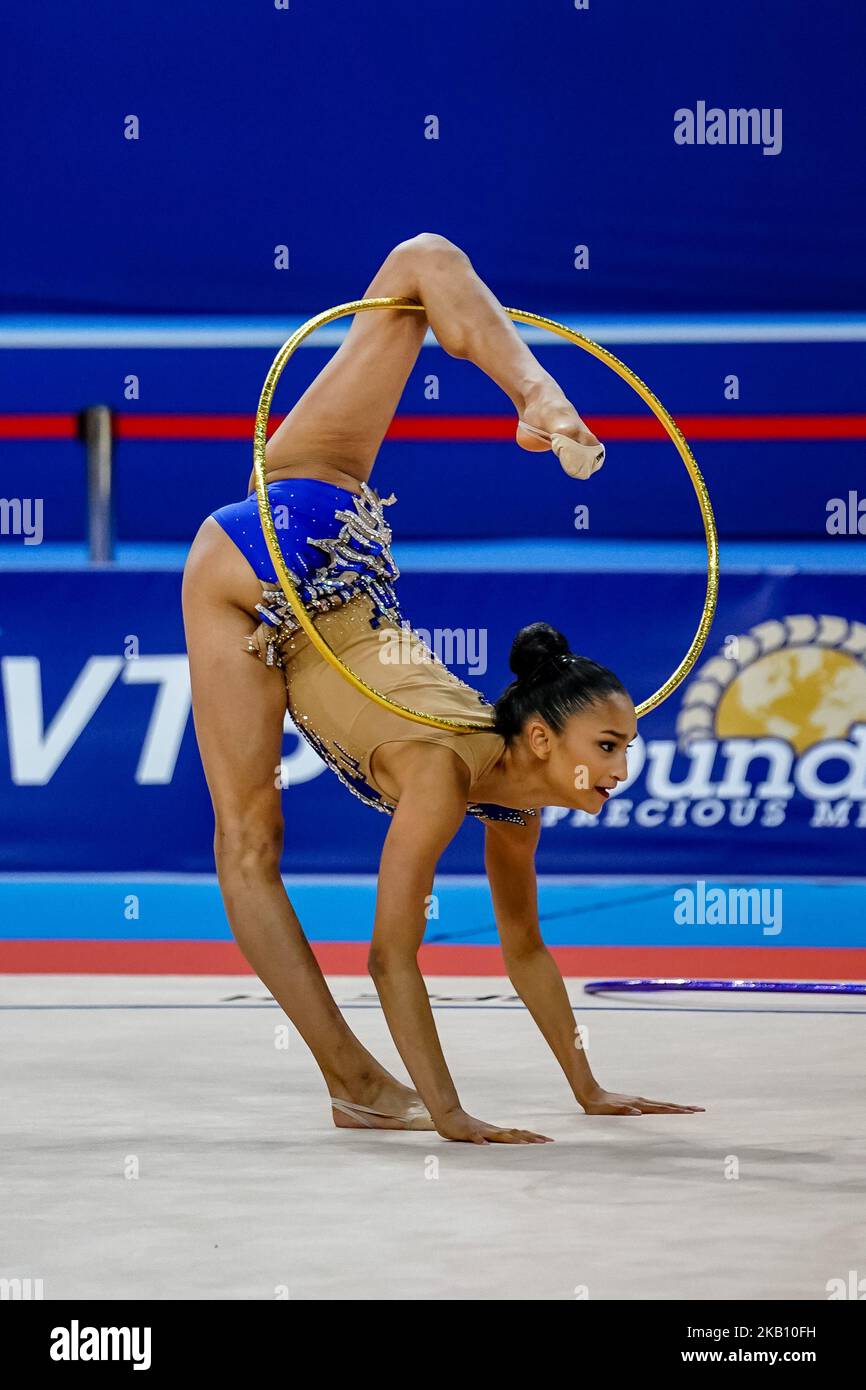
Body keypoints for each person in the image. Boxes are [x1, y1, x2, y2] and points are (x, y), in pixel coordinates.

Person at [182, 233, 704, 1144]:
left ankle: (540, 396)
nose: (623, 767)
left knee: (422, 260)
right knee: (248, 841)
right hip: (266, 570)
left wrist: (589, 1087)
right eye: (608, 748)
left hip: (322, 521)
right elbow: (390, 956)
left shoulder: (513, 808)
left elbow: (528, 951)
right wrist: (455, 1118)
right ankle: (540, 394)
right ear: (542, 741)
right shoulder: (439, 776)